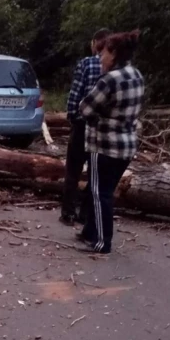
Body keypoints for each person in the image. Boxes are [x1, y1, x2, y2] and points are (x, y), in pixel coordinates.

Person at [78, 30, 144, 254]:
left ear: (114, 53)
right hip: (126, 145)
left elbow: (85, 108)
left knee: (99, 193)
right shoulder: (136, 75)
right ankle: (89, 231)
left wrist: (99, 117)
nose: (100, 58)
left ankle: (102, 241)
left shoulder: (108, 80)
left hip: (103, 145)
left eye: (104, 53)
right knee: (104, 190)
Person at [61, 28, 111, 226]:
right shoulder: (115, 68)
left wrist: (72, 116)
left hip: (83, 124)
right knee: (94, 171)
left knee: (73, 169)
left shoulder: (86, 63)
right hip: (101, 127)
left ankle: (68, 212)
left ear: (95, 43)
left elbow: (76, 93)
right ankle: (85, 213)